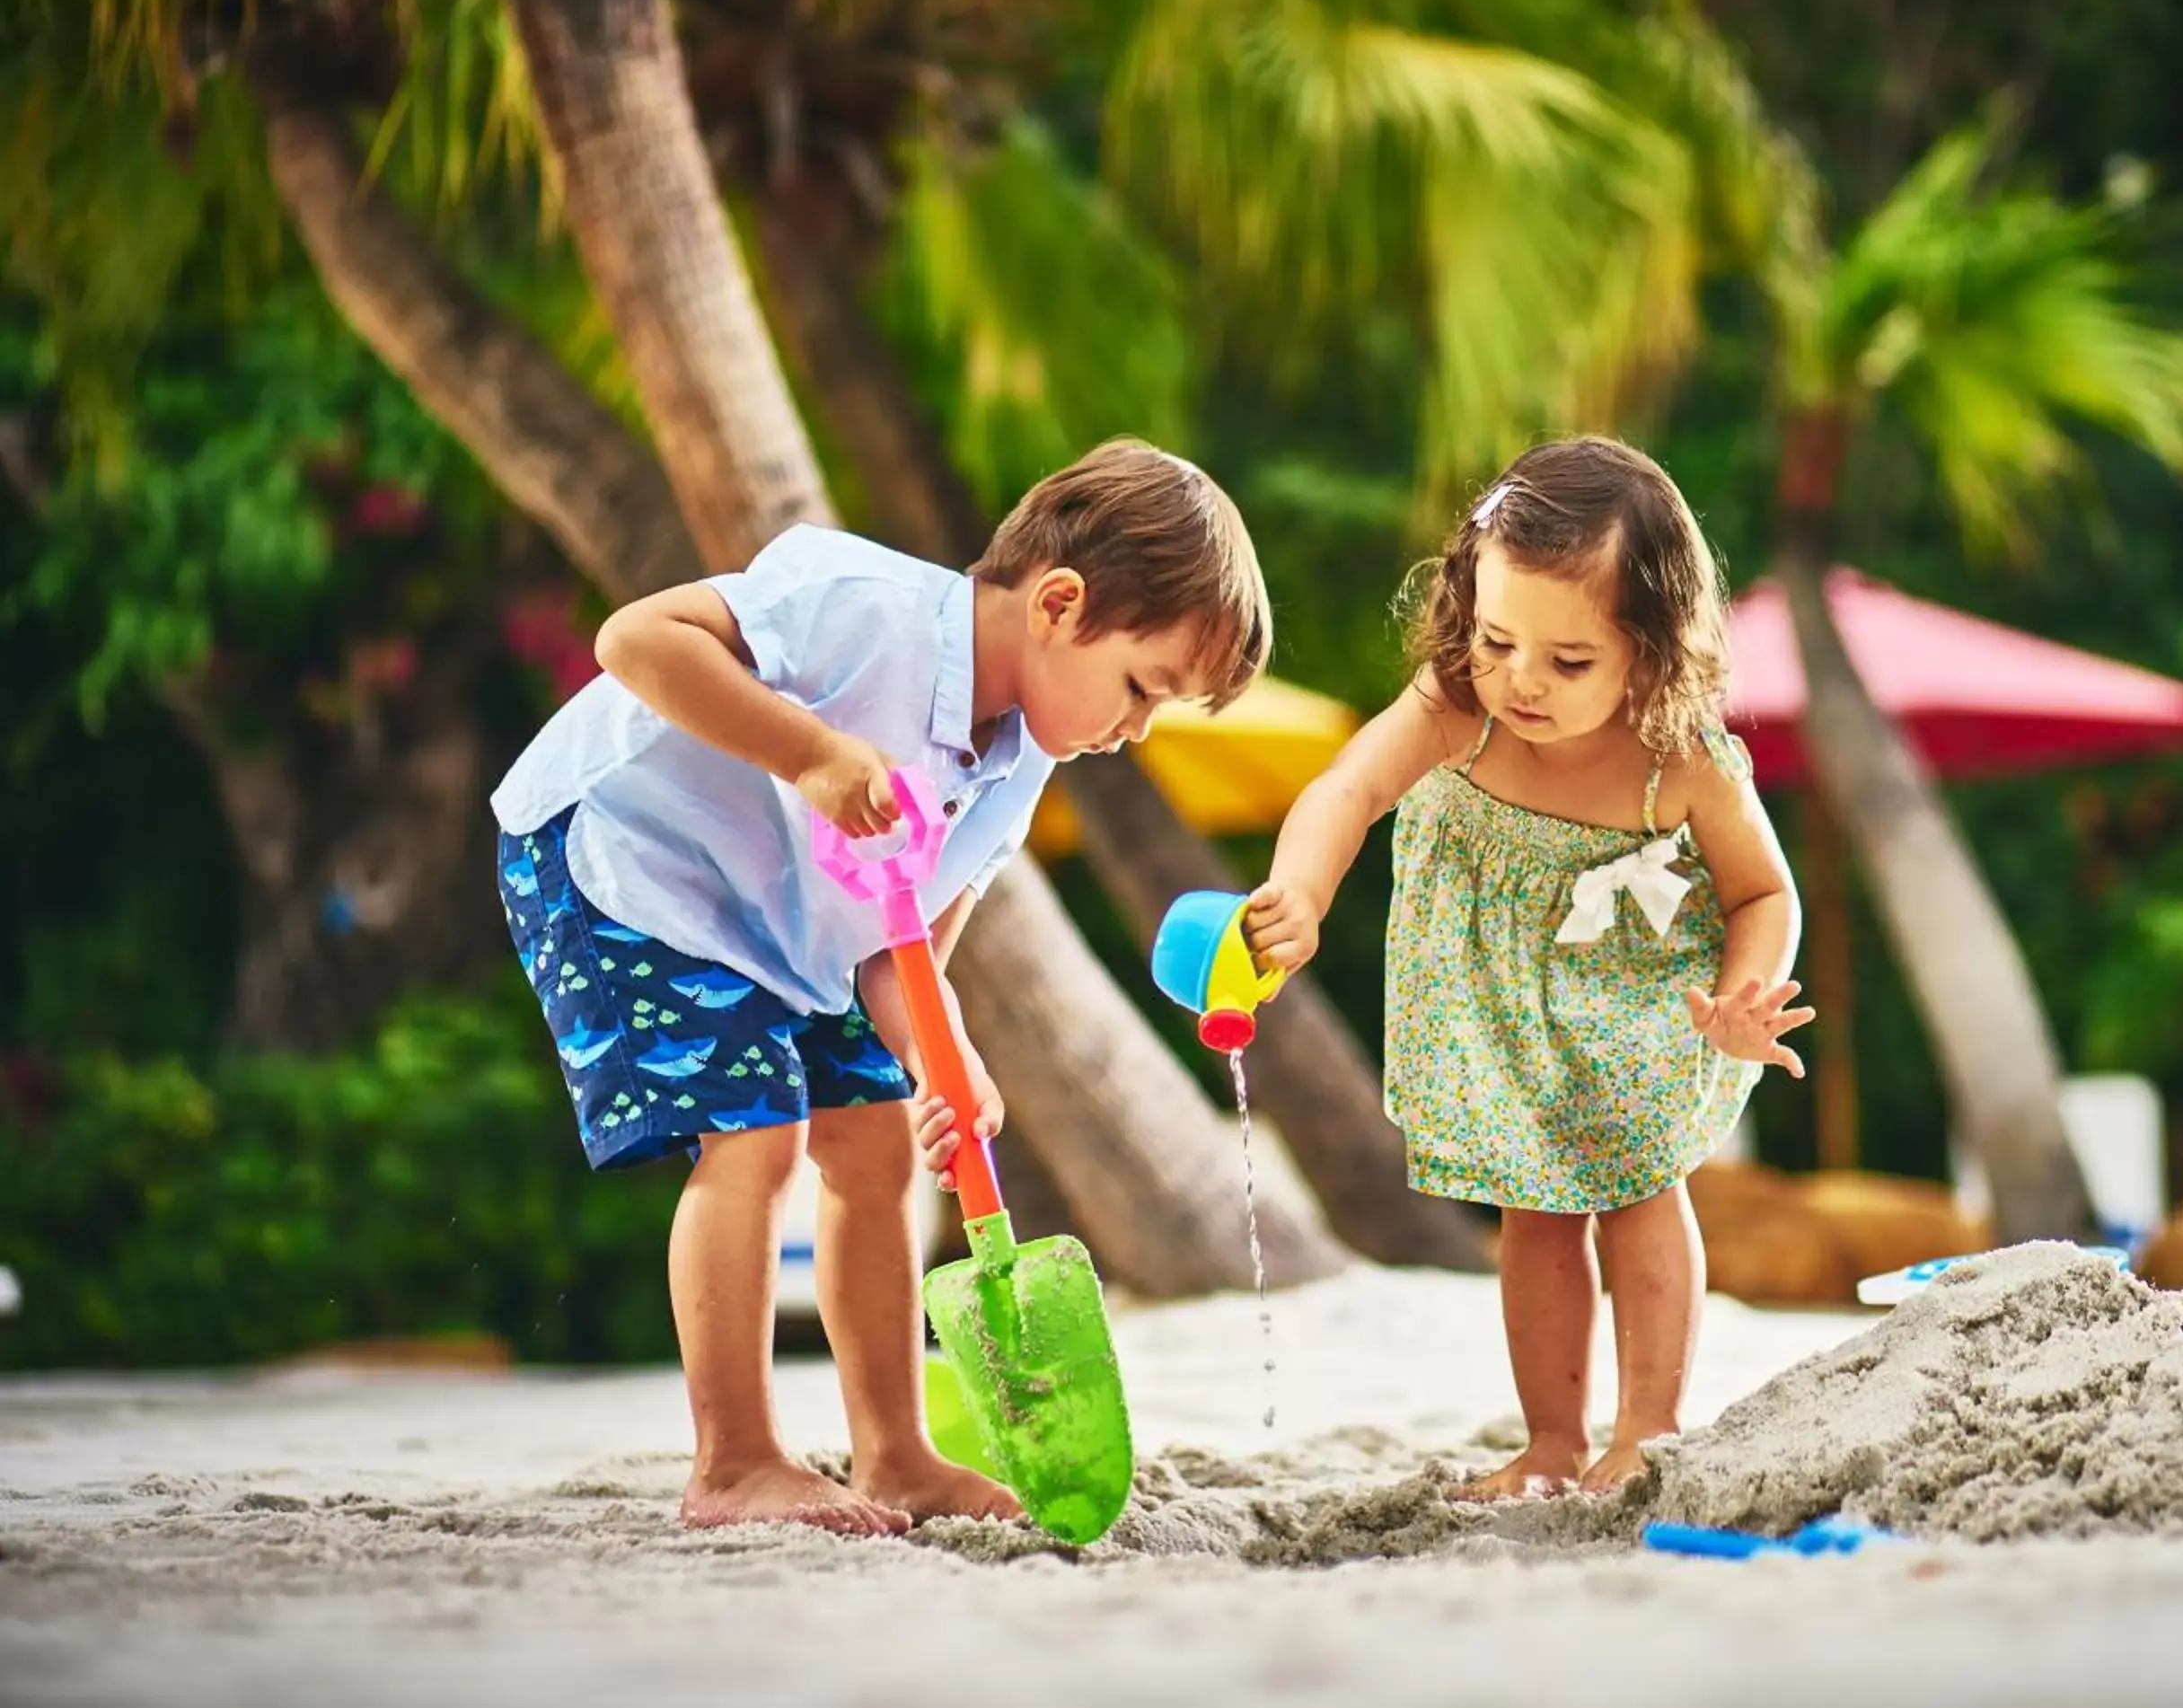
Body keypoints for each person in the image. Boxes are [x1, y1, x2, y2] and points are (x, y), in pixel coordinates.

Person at [490, 439, 1270, 1536]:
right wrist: (811, 751)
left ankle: (895, 1452)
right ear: (1058, 602)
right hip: (626, 854)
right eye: (1142, 687)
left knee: (876, 1140)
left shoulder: (1021, 764)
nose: (1134, 729)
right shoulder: (867, 608)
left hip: (784, 926)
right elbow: (635, 640)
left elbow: (899, 955)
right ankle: (735, 1461)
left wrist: (950, 1065)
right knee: (754, 1136)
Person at [1246, 436, 1807, 1498]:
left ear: (1653, 648)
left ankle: (1648, 1425)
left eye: (1570, 660)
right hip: (1493, 993)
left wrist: (1744, 993)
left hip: (1643, 995)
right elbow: (1347, 789)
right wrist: (1303, 893)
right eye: (1499, 640)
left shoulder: (1680, 755)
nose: (1522, 681)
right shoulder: (1457, 703)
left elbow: (1762, 892)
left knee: (1643, 1188)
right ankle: (1552, 1439)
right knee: (1536, 1212)